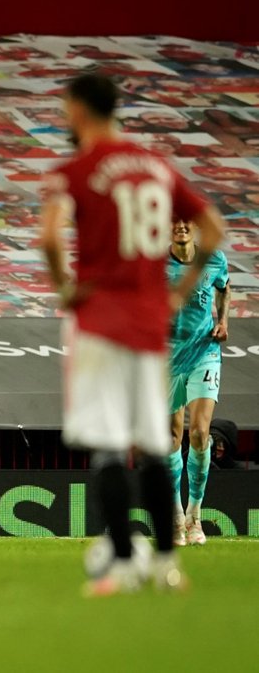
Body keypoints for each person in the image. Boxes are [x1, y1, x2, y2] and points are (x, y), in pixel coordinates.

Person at [39, 73, 224, 595]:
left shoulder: (75, 170)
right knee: (155, 445)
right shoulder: (156, 166)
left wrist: (65, 288)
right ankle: (167, 565)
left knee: (108, 448)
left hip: (100, 321)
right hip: (150, 326)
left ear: (77, 109)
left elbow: (50, 237)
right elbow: (214, 227)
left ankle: (122, 561)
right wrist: (185, 286)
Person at [166, 218, 231, 547]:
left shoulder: (214, 259)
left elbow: (223, 288)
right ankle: (177, 518)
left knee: (200, 432)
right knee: (172, 438)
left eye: (185, 221)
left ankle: (195, 514)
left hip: (204, 352)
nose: (180, 226)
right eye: (174, 222)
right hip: (166, 358)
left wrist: (223, 320)